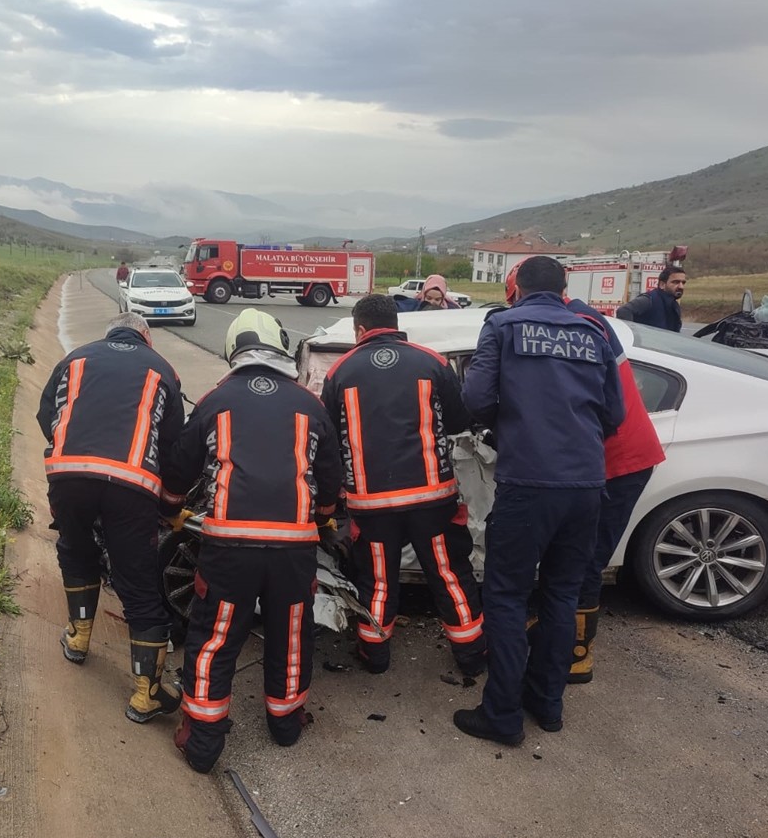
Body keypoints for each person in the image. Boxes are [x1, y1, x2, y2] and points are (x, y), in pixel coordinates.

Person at [161, 309, 343, 773]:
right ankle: (285, 724)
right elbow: (331, 477)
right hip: (293, 551)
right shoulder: (309, 404)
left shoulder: (214, 400)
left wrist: (169, 510)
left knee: (215, 638)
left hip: (228, 548)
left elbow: (179, 471)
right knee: (291, 634)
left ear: (233, 350)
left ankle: (202, 742)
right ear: (280, 348)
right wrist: (322, 520)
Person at [456, 256, 625, 746]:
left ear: (517, 287)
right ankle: (547, 705)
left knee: (507, 596)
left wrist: (507, 423)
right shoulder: (593, 332)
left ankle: (503, 716)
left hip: (528, 482)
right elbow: (614, 413)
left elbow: (475, 398)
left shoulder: (504, 327)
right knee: (561, 594)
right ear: (565, 287)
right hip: (586, 486)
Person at [504, 263, 665, 683]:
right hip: (603, 456)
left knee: (585, 561)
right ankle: (556, 636)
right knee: (571, 562)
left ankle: (577, 654)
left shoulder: (579, 324)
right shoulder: (586, 320)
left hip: (613, 461)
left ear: (520, 294)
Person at [321, 293, 486, 678]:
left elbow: (327, 437)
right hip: (432, 498)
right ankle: (472, 655)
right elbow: (461, 422)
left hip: (372, 503)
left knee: (377, 580)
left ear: (358, 328)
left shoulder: (339, 372)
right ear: (396, 324)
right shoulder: (433, 362)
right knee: (448, 574)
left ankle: (375, 655)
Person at [36, 311, 185, 724]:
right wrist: (171, 507)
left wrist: (72, 449)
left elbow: (46, 414)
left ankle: (78, 638)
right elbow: (174, 447)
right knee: (136, 581)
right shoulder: (161, 368)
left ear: (110, 333)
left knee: (75, 549)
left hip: (68, 475)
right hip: (131, 486)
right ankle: (145, 694)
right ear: (146, 338)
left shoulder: (76, 357)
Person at [615, 267, 687, 332]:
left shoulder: (674, 306)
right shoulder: (649, 300)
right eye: (676, 282)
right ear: (662, 285)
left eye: (683, 283)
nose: (681, 286)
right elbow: (624, 311)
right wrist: (632, 334)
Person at [393, 273, 459, 313]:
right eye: (429, 298)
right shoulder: (413, 305)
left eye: (437, 299)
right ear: (424, 295)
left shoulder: (452, 311)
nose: (432, 302)